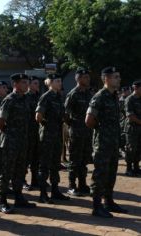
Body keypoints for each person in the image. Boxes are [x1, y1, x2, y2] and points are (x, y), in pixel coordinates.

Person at [86, 66, 128, 218]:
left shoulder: (114, 96)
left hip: (113, 142)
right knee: (100, 174)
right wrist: (101, 130)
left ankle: (108, 202)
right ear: (106, 79)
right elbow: (89, 120)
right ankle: (96, 207)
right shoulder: (99, 96)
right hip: (102, 143)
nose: (119, 79)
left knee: (111, 173)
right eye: (116, 77)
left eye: (118, 76)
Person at [0, 73, 37, 214]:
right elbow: (0, 123)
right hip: (10, 142)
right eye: (24, 82)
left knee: (20, 170)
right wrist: (9, 134)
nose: (27, 85)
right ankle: (2, 201)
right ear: (15, 84)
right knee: (6, 171)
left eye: (27, 82)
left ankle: (19, 197)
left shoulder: (26, 99)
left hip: (23, 141)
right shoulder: (9, 100)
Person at [36, 74, 70, 204]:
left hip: (57, 135)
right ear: (50, 83)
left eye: (60, 80)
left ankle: (55, 191)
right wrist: (47, 124)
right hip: (47, 136)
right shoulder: (46, 97)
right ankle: (43, 194)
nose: (60, 83)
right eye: (57, 81)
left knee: (55, 164)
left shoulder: (59, 97)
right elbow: (38, 116)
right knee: (44, 165)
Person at [64, 68, 93, 196]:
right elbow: (65, 114)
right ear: (79, 79)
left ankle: (82, 184)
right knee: (74, 160)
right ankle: (71, 185)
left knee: (84, 159)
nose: (88, 79)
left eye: (88, 77)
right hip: (76, 131)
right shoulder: (73, 94)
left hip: (87, 132)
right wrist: (73, 125)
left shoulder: (89, 93)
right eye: (85, 77)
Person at [23, 76, 40, 190]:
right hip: (27, 132)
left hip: (36, 132)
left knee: (36, 158)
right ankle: (23, 181)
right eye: (34, 83)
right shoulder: (25, 98)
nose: (37, 86)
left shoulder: (38, 97)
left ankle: (35, 179)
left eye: (37, 84)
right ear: (29, 85)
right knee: (25, 158)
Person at [124, 80, 141, 176]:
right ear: (136, 88)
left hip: (139, 128)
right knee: (131, 148)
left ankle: (136, 167)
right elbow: (130, 116)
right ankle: (129, 168)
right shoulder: (129, 99)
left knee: (138, 148)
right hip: (132, 128)